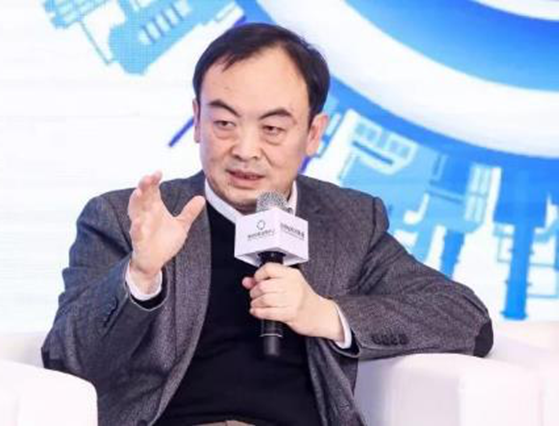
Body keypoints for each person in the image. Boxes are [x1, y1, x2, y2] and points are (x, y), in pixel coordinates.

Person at [42, 23, 493, 426]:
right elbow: (67, 360)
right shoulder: (128, 218)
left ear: (313, 134)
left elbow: (467, 322)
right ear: (197, 120)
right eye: (224, 122)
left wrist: (325, 314)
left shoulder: (350, 222)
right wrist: (140, 276)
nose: (245, 149)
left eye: (272, 129)